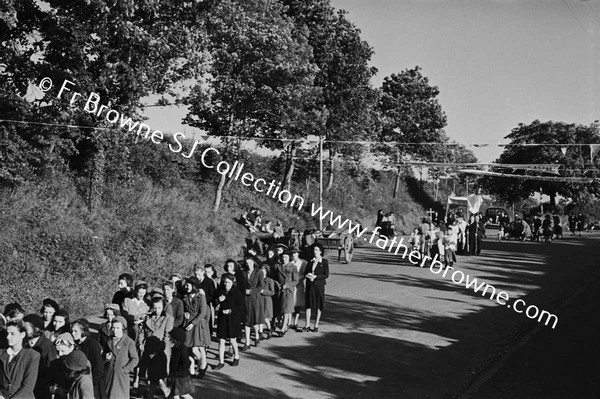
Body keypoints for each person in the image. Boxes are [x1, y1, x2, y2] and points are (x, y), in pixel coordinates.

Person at [139, 296, 173, 393]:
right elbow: (142, 332)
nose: (156, 310)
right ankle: (151, 393)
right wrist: (141, 342)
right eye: (154, 308)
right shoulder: (148, 317)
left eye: (159, 308)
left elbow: (167, 337)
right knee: (149, 374)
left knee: (159, 375)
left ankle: (165, 391)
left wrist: (158, 350)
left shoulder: (168, 318)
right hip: (148, 348)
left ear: (163, 307)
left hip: (161, 349)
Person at [0, 321, 41, 399]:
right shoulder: (1, 353)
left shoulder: (32, 356)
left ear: (22, 334)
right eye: (7, 333)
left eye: (12, 334)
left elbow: (28, 386)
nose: (8, 337)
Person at [102, 316, 138, 399]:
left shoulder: (129, 342)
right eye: (113, 328)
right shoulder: (108, 340)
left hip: (120, 377)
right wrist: (105, 357)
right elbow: (103, 354)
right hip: (108, 375)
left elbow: (135, 359)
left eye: (118, 328)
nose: (115, 330)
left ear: (123, 329)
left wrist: (125, 370)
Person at [182, 276, 210, 379]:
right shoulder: (186, 297)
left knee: (195, 349)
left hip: (197, 325)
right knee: (189, 347)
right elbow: (185, 309)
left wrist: (193, 322)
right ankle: (199, 367)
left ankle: (202, 365)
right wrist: (185, 314)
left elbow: (203, 312)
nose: (186, 287)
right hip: (189, 324)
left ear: (193, 286)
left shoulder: (201, 297)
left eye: (188, 285)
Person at [23, 313, 57, 399]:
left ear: (36, 328)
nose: (23, 330)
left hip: (40, 388)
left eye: (25, 328)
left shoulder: (47, 345)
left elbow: (51, 367)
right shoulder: (24, 343)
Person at [213, 274, 243, 370]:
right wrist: (218, 300)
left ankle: (236, 356)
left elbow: (240, 306)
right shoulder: (221, 291)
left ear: (232, 282)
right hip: (222, 318)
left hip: (233, 319)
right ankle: (221, 362)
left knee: (232, 339)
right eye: (225, 282)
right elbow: (214, 303)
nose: (226, 284)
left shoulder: (237, 292)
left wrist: (230, 310)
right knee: (221, 339)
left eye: (228, 282)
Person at [71, 319, 104, 399]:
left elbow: (98, 367)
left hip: (92, 383)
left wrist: (91, 383)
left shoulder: (92, 344)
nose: (72, 334)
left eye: (75, 331)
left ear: (83, 331)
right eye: (72, 331)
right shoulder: (76, 344)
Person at [303, 243, 329, 333]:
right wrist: (308, 275)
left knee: (318, 304)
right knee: (308, 304)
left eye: (317, 250)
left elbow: (326, 274)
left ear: (321, 251)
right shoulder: (310, 261)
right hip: (310, 285)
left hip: (319, 285)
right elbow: (305, 272)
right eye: (314, 250)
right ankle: (307, 324)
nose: (315, 252)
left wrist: (316, 277)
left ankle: (316, 324)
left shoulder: (324, 262)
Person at [242, 255, 265, 350]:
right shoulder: (243, 273)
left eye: (250, 263)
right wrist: (244, 291)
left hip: (255, 298)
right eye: (247, 263)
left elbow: (261, 286)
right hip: (246, 299)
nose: (249, 265)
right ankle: (247, 342)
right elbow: (240, 285)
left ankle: (256, 337)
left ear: (253, 263)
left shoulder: (259, 272)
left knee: (255, 319)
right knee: (247, 320)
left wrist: (252, 291)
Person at [168, 328, 194, 399]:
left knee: (183, 394)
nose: (170, 338)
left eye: (171, 337)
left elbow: (187, 362)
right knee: (176, 394)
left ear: (175, 338)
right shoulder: (176, 348)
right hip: (177, 375)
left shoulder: (181, 349)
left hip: (180, 376)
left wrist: (178, 369)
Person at [277, 251, 299, 337]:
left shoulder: (293, 267)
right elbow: (275, 278)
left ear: (289, 258)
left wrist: (287, 285)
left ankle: (283, 328)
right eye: (283, 257)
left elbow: (295, 281)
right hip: (280, 290)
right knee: (281, 309)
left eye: (286, 257)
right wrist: (278, 284)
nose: (284, 259)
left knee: (286, 309)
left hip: (288, 291)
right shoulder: (278, 266)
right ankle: (284, 325)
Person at [291, 247, 307, 330]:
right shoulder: (290, 263)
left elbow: (304, 274)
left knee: (298, 303)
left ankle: (296, 321)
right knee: (291, 303)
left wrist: (297, 280)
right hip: (291, 285)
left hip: (299, 285)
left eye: (295, 253)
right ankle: (289, 321)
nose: (294, 254)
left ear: (298, 254)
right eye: (293, 253)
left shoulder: (303, 263)